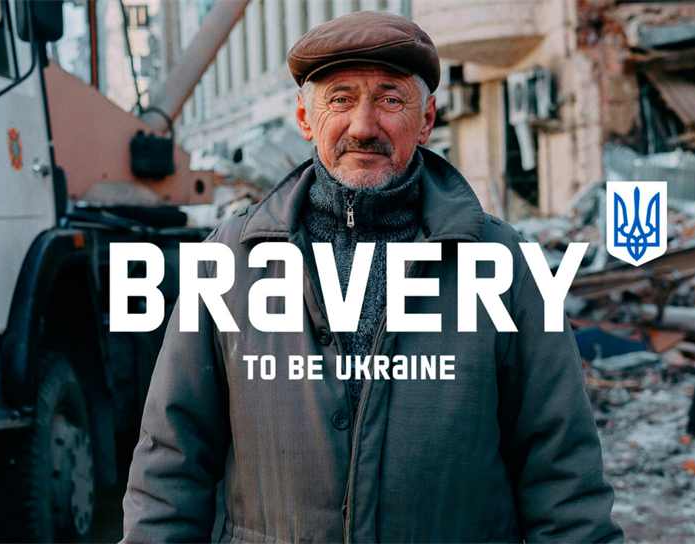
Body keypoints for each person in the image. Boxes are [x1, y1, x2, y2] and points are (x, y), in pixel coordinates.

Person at [122, 11, 624, 544]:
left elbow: (564, 479)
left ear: (427, 119)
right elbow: (170, 465)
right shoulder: (230, 261)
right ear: (305, 119)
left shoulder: (506, 265)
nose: (363, 125)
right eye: (340, 99)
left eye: (389, 99)